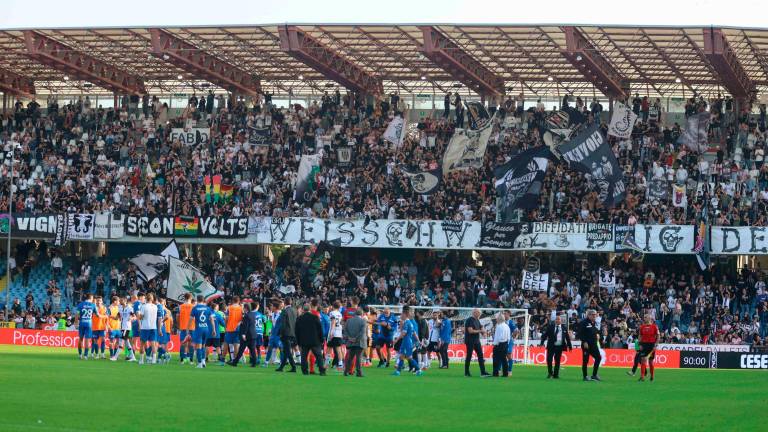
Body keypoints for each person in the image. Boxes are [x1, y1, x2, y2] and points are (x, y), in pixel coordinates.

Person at [294, 303, 326, 376]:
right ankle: (322, 371)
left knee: (304, 356)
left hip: (304, 341)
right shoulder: (315, 317)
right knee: (319, 356)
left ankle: (305, 371)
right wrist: (321, 339)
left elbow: (297, 331)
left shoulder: (299, 318)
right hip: (315, 340)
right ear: (310, 309)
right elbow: (320, 330)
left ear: (303, 309)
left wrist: (298, 342)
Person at [392, 305, 423, 377]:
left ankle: (419, 370)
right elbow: (414, 332)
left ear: (405, 314)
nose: (401, 316)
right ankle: (398, 372)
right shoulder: (409, 323)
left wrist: (396, 340)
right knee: (401, 357)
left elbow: (403, 333)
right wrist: (418, 340)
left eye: (401, 314)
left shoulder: (407, 323)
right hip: (406, 341)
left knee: (409, 358)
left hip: (407, 342)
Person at [187, 295, 214, 368]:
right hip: (206, 329)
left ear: (197, 300)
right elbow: (211, 319)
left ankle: (199, 364)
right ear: (203, 300)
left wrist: (188, 329)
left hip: (199, 329)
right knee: (203, 346)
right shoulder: (208, 308)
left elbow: (191, 319)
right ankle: (203, 361)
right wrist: (214, 329)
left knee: (198, 346)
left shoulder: (195, 308)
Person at [464, 308, 489, 377]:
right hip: (470, 341)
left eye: (480, 313)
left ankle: (483, 372)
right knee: (469, 356)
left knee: (480, 355)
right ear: (474, 313)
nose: (479, 314)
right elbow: (470, 331)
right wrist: (480, 331)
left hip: (476, 340)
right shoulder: (469, 320)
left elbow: (481, 328)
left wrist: (483, 332)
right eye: (478, 313)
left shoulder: (477, 320)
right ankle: (466, 372)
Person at [578, 309, 602, 381]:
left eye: (595, 315)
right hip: (587, 344)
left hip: (593, 344)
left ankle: (594, 375)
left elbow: (595, 331)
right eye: (593, 315)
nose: (594, 316)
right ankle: (585, 376)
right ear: (589, 315)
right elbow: (580, 333)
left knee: (598, 357)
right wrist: (584, 341)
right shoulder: (584, 322)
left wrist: (598, 335)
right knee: (585, 360)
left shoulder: (593, 323)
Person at [276, 298, 297, 372]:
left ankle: (293, 367)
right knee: (286, 350)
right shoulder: (294, 310)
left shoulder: (284, 311)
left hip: (286, 334)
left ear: (285, 303)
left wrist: (281, 333)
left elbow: (283, 324)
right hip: (293, 333)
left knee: (287, 350)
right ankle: (281, 367)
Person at [344, 307, 367, 377]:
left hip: (351, 342)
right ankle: (359, 372)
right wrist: (356, 339)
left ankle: (346, 371)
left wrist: (350, 338)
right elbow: (362, 332)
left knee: (350, 357)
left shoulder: (348, 320)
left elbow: (345, 331)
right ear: (362, 314)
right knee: (358, 357)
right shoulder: (363, 321)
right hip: (360, 342)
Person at [637, 314, 660, 382]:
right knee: (643, 360)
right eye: (644, 317)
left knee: (650, 362)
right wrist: (639, 344)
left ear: (650, 318)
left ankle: (652, 376)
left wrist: (656, 344)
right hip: (644, 345)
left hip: (651, 345)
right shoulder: (642, 327)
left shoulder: (654, 327)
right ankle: (642, 376)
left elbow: (658, 336)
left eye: (646, 317)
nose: (644, 318)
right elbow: (640, 336)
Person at [137, 293, 158, 365]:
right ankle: (154, 360)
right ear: (152, 299)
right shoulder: (155, 307)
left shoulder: (144, 306)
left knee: (142, 344)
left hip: (145, 327)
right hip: (153, 327)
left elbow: (141, 317)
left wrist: (138, 314)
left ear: (146, 298)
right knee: (153, 344)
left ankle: (141, 360)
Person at [76, 294, 96, 360]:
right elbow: (97, 314)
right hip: (89, 323)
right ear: (90, 298)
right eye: (92, 297)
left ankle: (80, 354)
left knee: (80, 339)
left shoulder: (81, 304)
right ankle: (86, 355)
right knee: (87, 340)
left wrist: (76, 323)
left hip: (82, 322)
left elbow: (77, 314)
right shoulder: (93, 305)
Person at [177, 293, 196, 365]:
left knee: (183, 343)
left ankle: (182, 359)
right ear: (191, 298)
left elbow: (177, 317)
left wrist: (179, 325)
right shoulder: (193, 307)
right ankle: (191, 360)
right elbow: (195, 318)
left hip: (183, 327)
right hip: (192, 327)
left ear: (184, 298)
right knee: (191, 343)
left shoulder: (180, 306)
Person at [224, 297, 243, 364]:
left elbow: (226, 318)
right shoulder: (241, 308)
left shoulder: (229, 308)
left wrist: (226, 327)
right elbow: (243, 318)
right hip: (238, 328)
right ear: (239, 301)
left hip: (229, 328)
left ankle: (222, 360)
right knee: (236, 344)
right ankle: (235, 360)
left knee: (226, 343)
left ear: (232, 301)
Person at [264, 302, 282, 367]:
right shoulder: (272, 315)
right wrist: (270, 333)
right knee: (269, 348)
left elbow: (281, 326)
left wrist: (280, 334)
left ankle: (281, 363)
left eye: (272, 306)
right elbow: (273, 325)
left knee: (281, 349)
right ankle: (266, 363)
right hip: (273, 335)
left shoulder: (281, 315)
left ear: (275, 307)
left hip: (278, 335)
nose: (271, 307)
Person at [327, 300, 344, 370]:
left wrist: (331, 332)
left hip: (333, 333)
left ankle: (326, 364)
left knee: (329, 349)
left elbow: (333, 322)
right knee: (338, 350)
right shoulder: (340, 314)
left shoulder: (331, 313)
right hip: (339, 333)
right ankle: (340, 365)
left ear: (332, 306)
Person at [107, 296, 121, 361]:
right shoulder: (109, 308)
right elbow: (106, 318)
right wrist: (109, 327)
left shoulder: (118, 308)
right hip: (112, 328)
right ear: (115, 301)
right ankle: (111, 355)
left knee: (118, 341)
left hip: (118, 328)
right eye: (118, 301)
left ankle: (115, 355)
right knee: (112, 341)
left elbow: (118, 318)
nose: (119, 302)